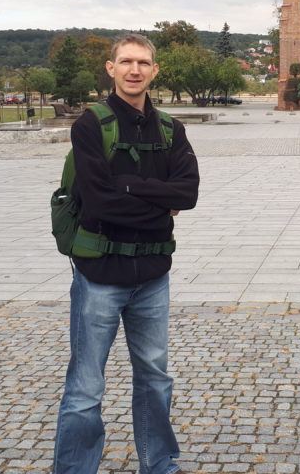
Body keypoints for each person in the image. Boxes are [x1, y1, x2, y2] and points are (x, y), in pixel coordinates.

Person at [54, 34, 199, 474]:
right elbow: (99, 203)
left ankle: (160, 465)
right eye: (126, 62)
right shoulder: (90, 125)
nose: (135, 70)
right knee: (86, 387)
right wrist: (158, 204)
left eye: (143, 63)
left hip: (152, 274)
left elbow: (188, 193)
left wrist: (130, 187)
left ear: (155, 71)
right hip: (100, 274)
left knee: (156, 379)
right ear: (110, 68)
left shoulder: (172, 128)